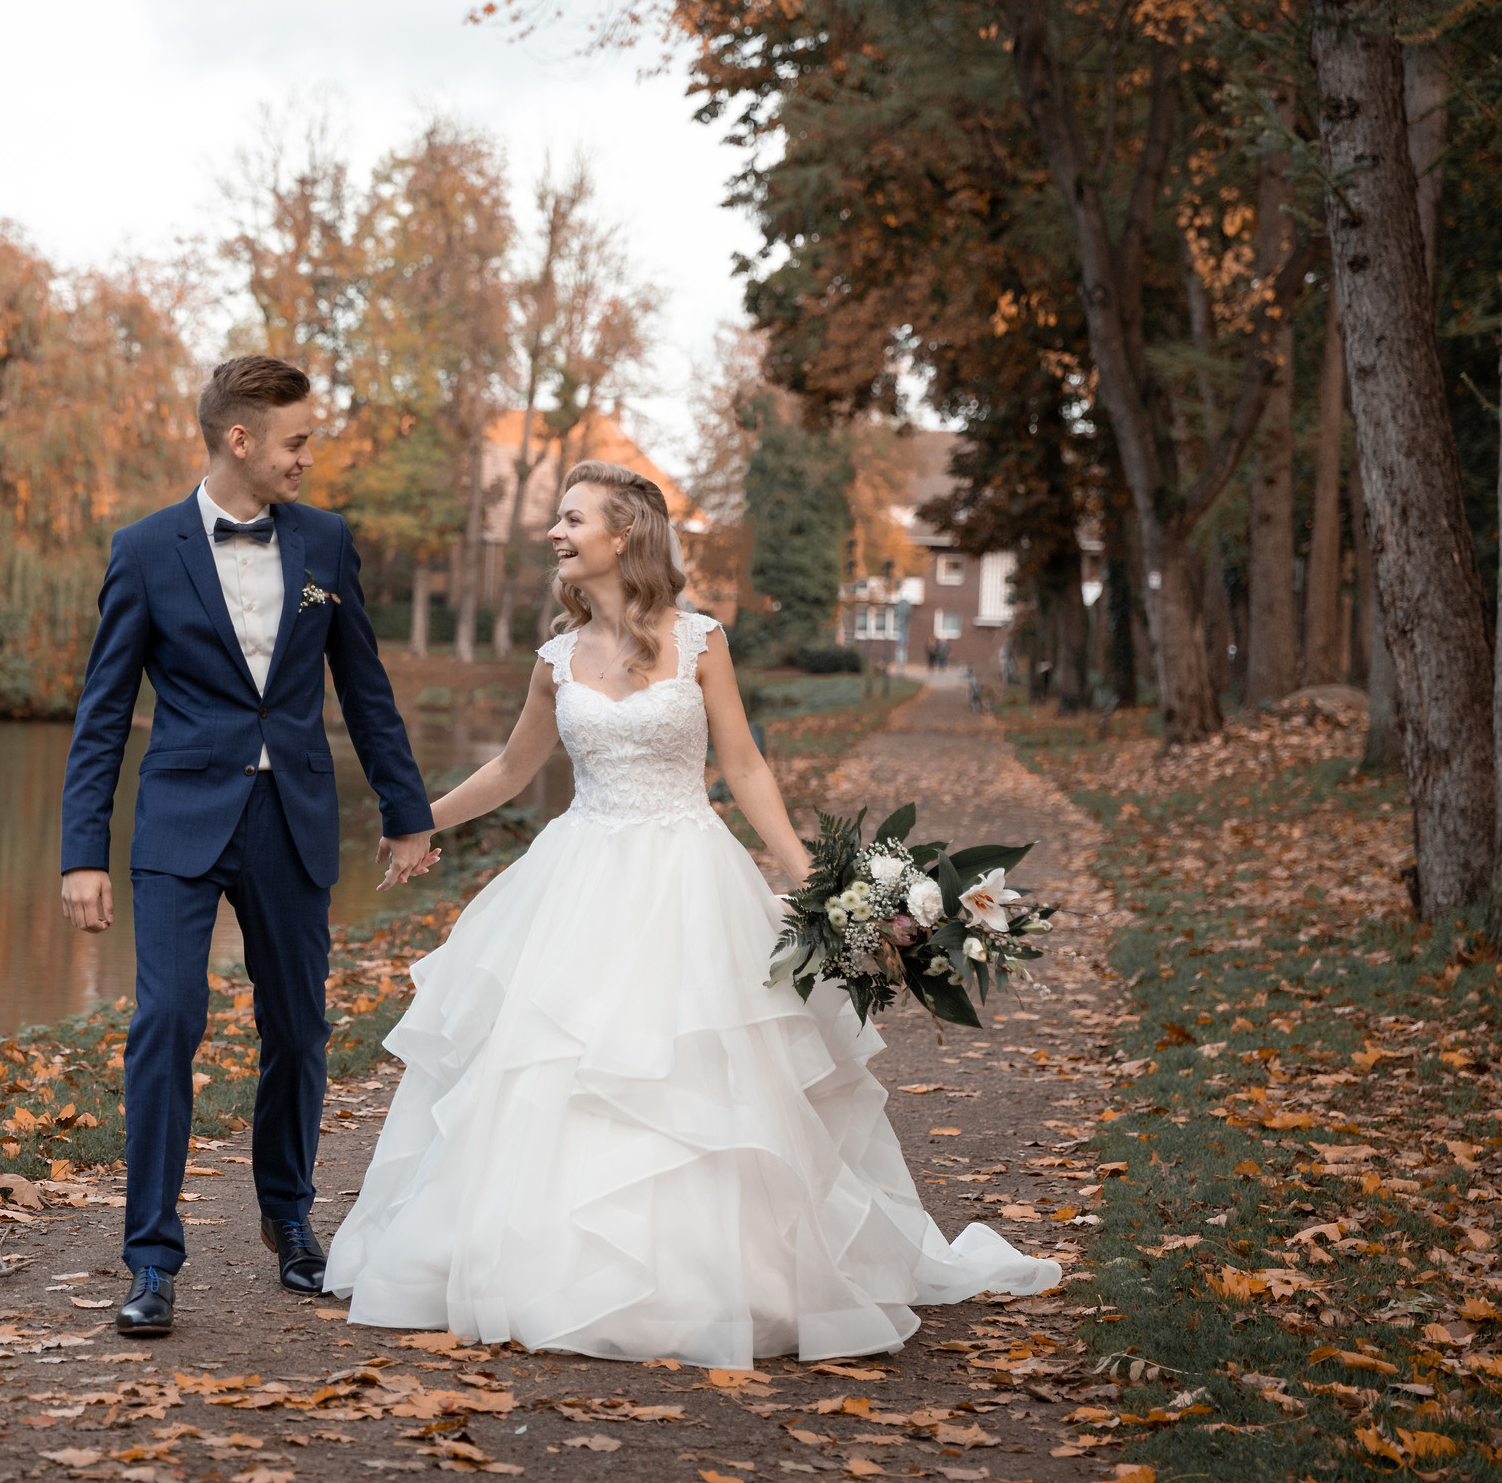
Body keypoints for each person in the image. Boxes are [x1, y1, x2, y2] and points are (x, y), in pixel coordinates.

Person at [323, 461, 1060, 1366]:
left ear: (623, 532)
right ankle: (546, 1265)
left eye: (571, 518)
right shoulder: (555, 661)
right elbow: (513, 772)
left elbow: (744, 767)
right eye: (557, 519)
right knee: (559, 1063)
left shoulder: (702, 640)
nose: (555, 533)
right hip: (580, 878)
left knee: (704, 1070)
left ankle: (712, 1277)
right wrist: (414, 819)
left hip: (688, 876)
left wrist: (817, 881)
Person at [59, 354, 439, 1339]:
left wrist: (407, 811)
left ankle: (290, 1219)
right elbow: (103, 714)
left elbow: (365, 688)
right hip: (181, 822)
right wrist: (81, 854)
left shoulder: (325, 542)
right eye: (297, 441)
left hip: (292, 822)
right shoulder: (144, 550)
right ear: (240, 440)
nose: (308, 458)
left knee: (299, 1033)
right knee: (166, 1024)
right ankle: (150, 1260)